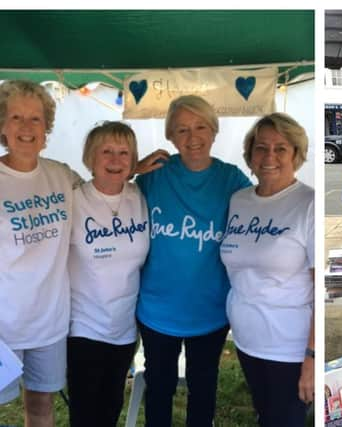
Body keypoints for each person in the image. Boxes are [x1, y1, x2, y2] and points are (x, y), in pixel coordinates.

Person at [135, 95, 252, 426]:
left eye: (201, 126)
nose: (193, 137)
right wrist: (132, 169)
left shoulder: (233, 181)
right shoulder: (152, 177)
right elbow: (108, 192)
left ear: (214, 131)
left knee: (203, 388)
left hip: (210, 310)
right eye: (182, 129)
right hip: (157, 310)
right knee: (159, 386)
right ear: (170, 136)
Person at [221, 113, 314, 426]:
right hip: (247, 341)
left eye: (280, 148)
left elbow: (320, 289)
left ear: (296, 155)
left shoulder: (308, 204)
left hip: (287, 347)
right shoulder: (238, 200)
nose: (269, 156)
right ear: (250, 154)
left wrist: (311, 358)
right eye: (261, 148)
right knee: (266, 415)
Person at [0, 80, 82, 426]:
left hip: (48, 322)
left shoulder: (62, 176)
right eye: (16, 117)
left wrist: (132, 168)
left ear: (46, 128)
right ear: (2, 125)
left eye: (35, 119)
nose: (26, 127)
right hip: (3, 327)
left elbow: (104, 193)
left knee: (40, 405)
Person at [66, 122, 149, 427]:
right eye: (107, 152)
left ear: (133, 160)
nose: (115, 160)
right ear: (90, 157)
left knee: (111, 406)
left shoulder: (140, 196)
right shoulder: (73, 200)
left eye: (123, 153)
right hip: (83, 328)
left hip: (125, 329)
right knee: (86, 413)